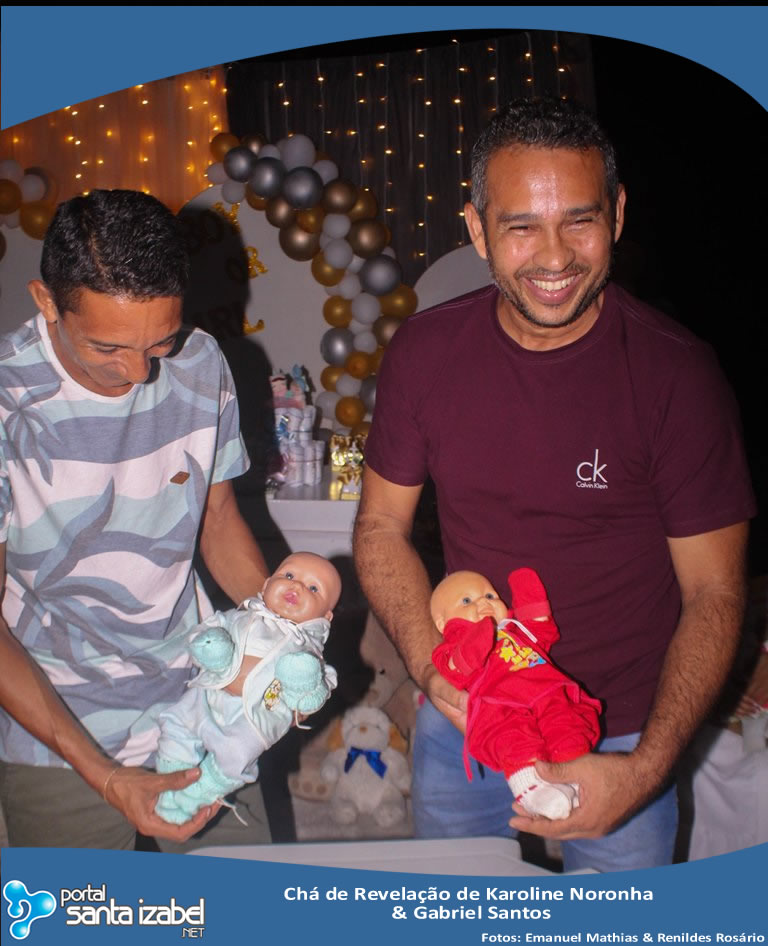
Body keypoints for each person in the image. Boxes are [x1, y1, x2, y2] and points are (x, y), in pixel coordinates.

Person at [353, 97, 755, 872]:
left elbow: (715, 593)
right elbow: (379, 528)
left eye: (580, 220)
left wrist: (645, 769)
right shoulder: (425, 353)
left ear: (618, 213)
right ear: (477, 230)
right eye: (521, 227)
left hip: (621, 733)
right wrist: (434, 671)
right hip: (464, 711)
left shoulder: (677, 376)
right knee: (455, 912)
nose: (555, 257)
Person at [0, 189, 272, 850]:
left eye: (160, 342)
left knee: (248, 903)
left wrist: (280, 631)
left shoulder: (201, 362)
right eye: (108, 346)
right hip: (58, 724)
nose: (140, 372)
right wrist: (107, 777)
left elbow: (218, 520)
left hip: (201, 701)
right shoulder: (8, 403)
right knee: (87, 907)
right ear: (46, 302)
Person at [155, 552, 340, 823]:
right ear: (266, 585)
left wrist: (302, 682)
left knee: (237, 755)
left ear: (326, 616)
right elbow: (207, 631)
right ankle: (168, 786)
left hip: (253, 718)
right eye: (289, 575)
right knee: (177, 723)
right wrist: (212, 647)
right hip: (209, 694)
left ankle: (196, 795)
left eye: (314, 588)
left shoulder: (309, 652)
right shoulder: (240, 616)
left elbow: (314, 695)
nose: (297, 586)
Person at [430, 568, 601, 820]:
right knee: (512, 738)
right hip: (501, 705)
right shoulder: (449, 648)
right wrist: (476, 638)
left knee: (566, 725)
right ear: (443, 623)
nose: (484, 603)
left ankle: (575, 779)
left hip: (547, 691)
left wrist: (530, 599)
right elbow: (456, 669)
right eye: (466, 601)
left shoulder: (515, 631)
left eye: (490, 595)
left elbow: (541, 632)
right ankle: (532, 791)